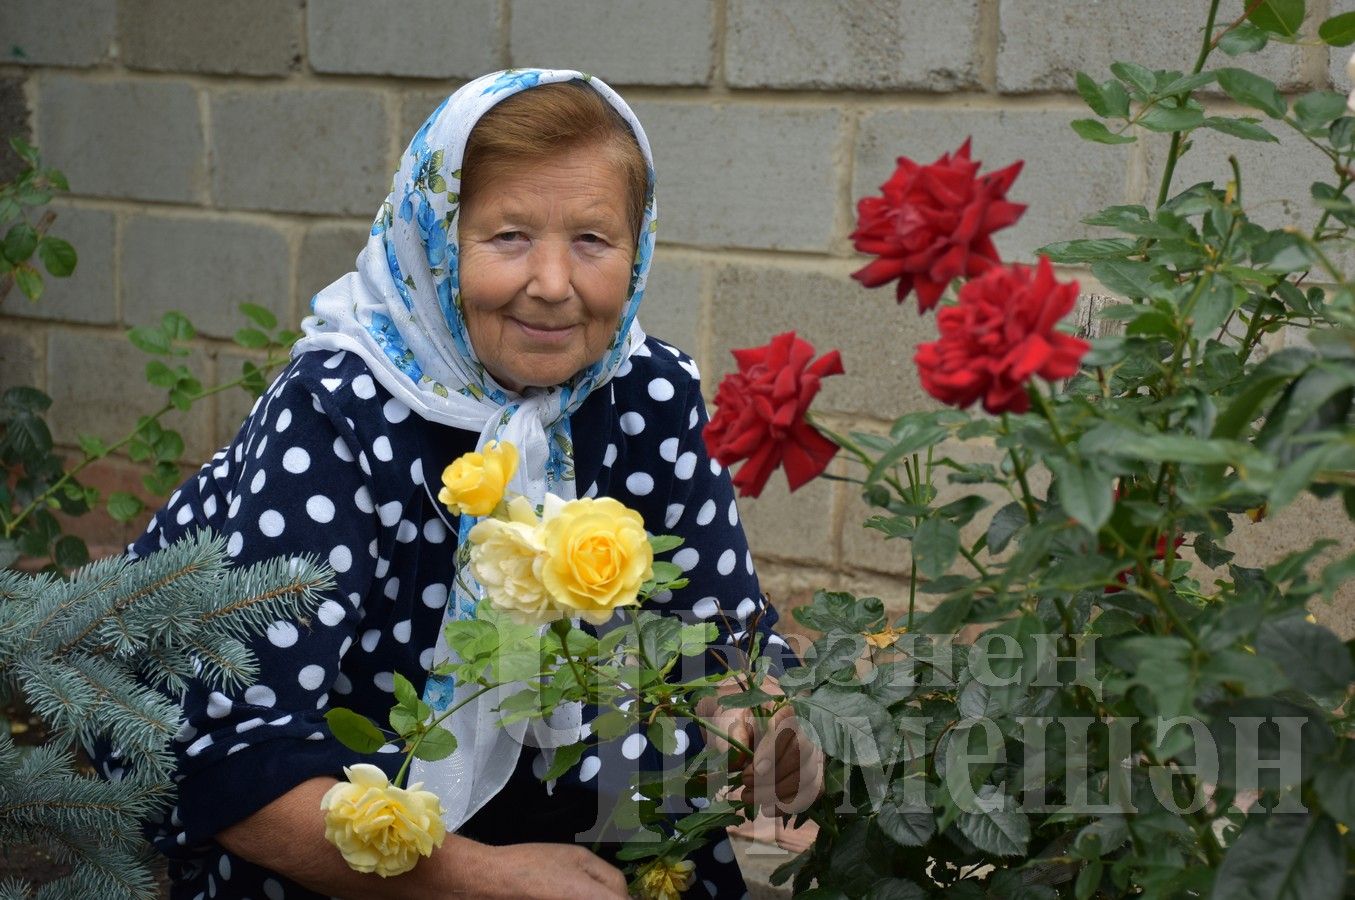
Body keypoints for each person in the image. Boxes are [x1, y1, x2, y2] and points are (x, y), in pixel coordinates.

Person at [98, 68, 821, 900]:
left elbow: (722, 635)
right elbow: (230, 755)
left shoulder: (645, 394)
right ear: (434, 239)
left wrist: (756, 718)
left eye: (592, 240)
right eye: (508, 236)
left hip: (579, 800)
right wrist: (479, 880)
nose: (552, 284)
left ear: (639, 246)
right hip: (352, 822)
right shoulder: (337, 412)